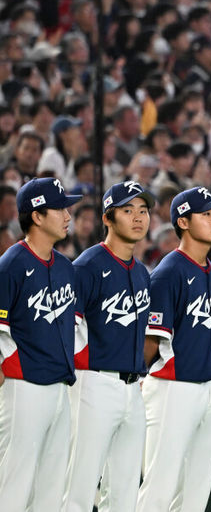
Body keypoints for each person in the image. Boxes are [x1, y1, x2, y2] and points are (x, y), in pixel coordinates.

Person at [138, 186, 211, 511]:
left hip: (208, 389)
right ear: (184, 222)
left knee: (195, 493)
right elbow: (152, 339)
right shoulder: (168, 272)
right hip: (171, 389)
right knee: (160, 488)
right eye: (205, 214)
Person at [64, 181, 156, 512]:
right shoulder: (87, 266)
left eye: (143, 210)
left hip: (133, 389)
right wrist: (81, 379)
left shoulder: (142, 272)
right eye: (128, 210)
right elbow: (67, 330)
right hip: (94, 383)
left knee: (124, 490)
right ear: (108, 218)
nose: (138, 218)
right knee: (80, 486)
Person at [0, 177, 81, 511]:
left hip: (60, 386)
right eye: (60, 208)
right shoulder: (11, 264)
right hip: (22, 385)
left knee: (50, 485)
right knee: (14, 482)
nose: (67, 215)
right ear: (36, 215)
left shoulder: (64, 266)